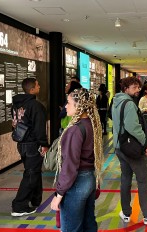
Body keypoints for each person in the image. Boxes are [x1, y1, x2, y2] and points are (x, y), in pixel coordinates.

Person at [112, 76, 147, 225]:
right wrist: (146, 143)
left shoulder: (116, 101)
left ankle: (126, 212)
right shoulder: (129, 104)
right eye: (134, 87)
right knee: (143, 179)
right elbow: (133, 127)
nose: (137, 90)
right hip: (132, 148)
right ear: (126, 88)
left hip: (120, 146)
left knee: (126, 179)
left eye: (138, 87)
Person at [50, 88, 104, 231]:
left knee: (71, 228)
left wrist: (59, 194)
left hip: (77, 183)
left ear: (78, 106)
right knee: (88, 224)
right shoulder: (92, 124)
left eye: (68, 103)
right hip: (90, 178)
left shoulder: (74, 130)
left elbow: (70, 166)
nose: (65, 106)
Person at [11, 78, 49, 216]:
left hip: (22, 144)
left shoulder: (15, 105)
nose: (39, 86)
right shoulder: (35, 106)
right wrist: (44, 144)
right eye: (38, 84)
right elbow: (40, 128)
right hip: (33, 144)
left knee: (34, 171)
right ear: (32, 89)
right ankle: (19, 206)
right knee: (31, 174)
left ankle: (35, 199)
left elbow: (15, 123)